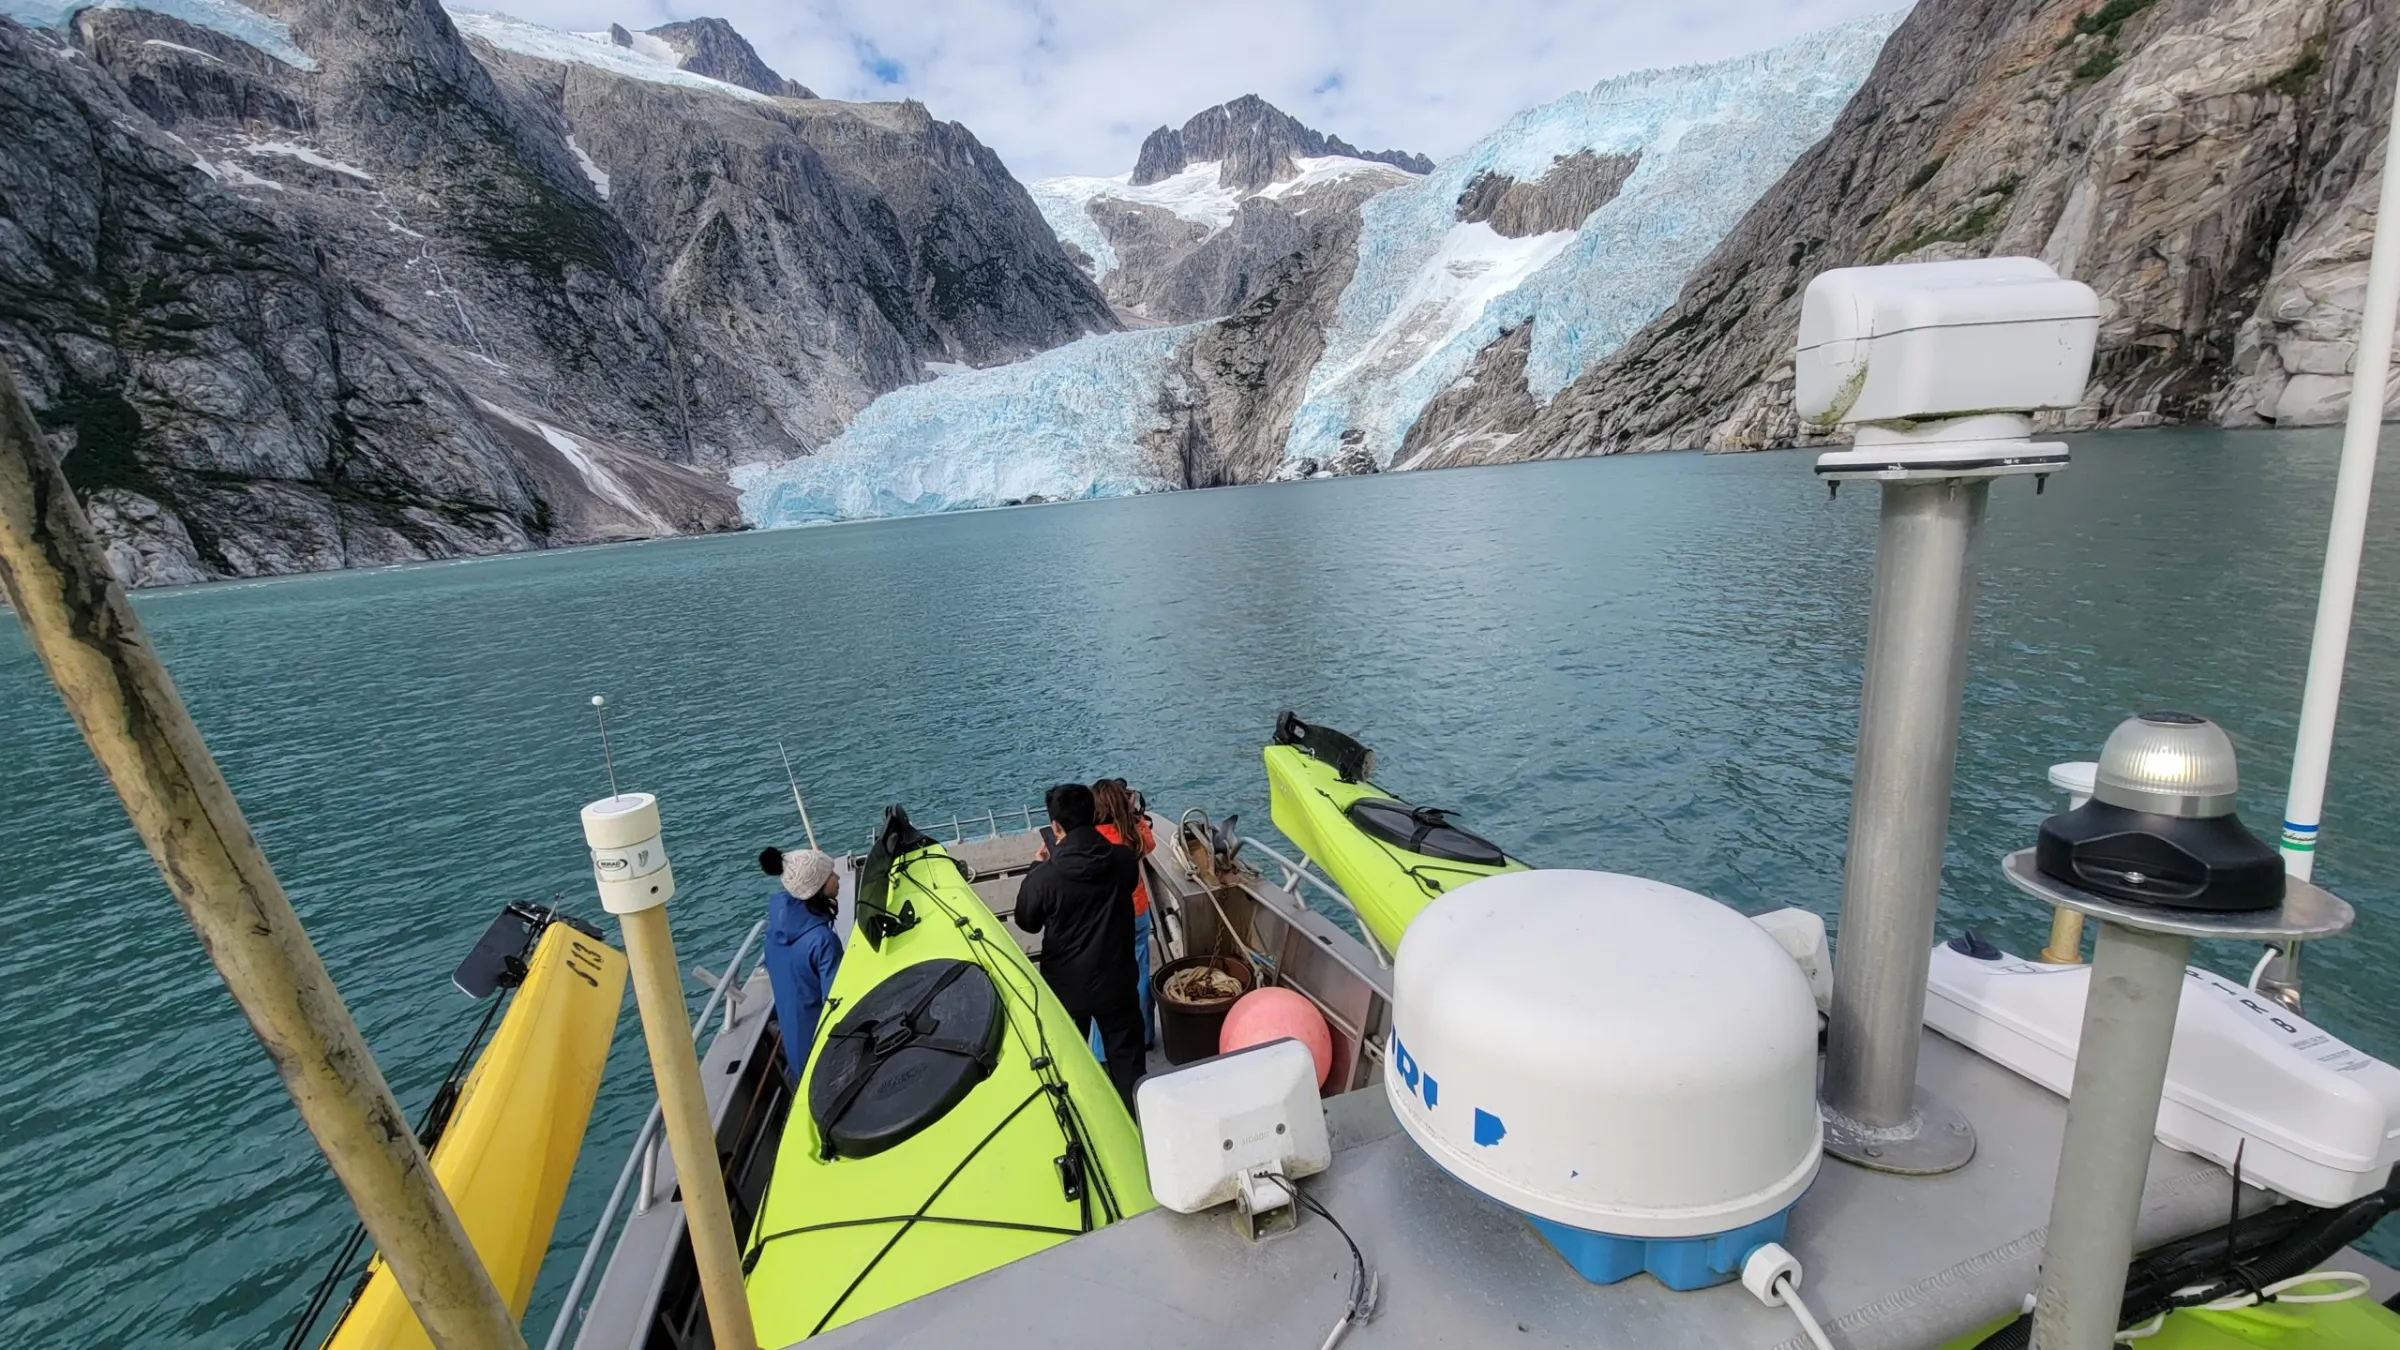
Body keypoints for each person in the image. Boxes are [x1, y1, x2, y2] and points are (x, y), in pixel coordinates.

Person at [1015, 783, 1144, 1102]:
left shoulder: (1046, 877)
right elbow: (1127, 885)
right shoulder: (1123, 860)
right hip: (1118, 982)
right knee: (1129, 1066)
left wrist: (1036, 867)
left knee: (1067, 1065)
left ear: (1055, 826)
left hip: (1067, 990)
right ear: (1093, 813)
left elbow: (1026, 921)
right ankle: (1139, 1128)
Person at [760, 846, 844, 1083]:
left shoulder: (773, 934)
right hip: (825, 1054)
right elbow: (837, 1004)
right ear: (816, 886)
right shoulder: (823, 941)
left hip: (797, 1051)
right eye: (830, 875)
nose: (837, 879)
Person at [1090, 778, 1158, 1049]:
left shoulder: (1089, 837)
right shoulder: (1130, 835)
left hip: (1102, 918)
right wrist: (1135, 816)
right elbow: (1149, 844)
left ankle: (1101, 1047)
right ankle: (1144, 1037)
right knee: (1140, 975)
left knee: (1103, 978)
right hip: (1136, 911)